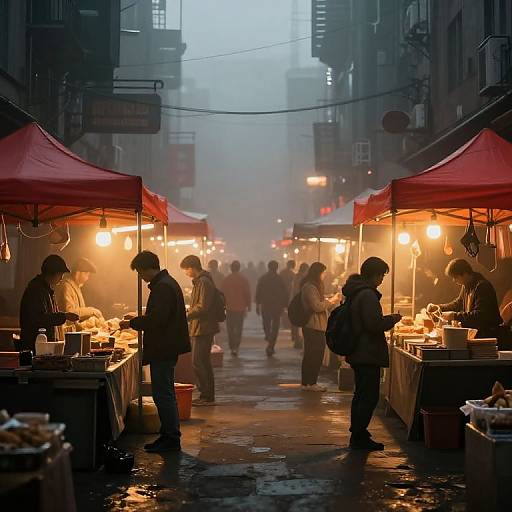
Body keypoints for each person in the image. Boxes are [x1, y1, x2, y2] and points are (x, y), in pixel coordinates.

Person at [120, 251, 190, 453]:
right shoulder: (166, 284)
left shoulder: (163, 288)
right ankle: (167, 435)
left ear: (149, 268)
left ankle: (171, 438)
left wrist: (132, 322)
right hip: (165, 347)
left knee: (163, 395)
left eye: (141, 274)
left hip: (163, 348)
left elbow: (157, 319)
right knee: (164, 393)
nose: (142, 279)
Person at [342, 257, 401, 451]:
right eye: (381, 275)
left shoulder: (357, 292)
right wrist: (393, 318)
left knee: (361, 394)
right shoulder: (367, 295)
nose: (382, 279)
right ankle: (359, 436)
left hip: (360, 351)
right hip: (366, 352)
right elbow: (374, 324)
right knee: (368, 396)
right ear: (373, 274)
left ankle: (359, 432)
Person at [428, 258, 503, 339]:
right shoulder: (466, 285)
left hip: (488, 336)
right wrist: (439, 308)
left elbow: (479, 316)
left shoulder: (482, 287)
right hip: (476, 334)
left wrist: (454, 316)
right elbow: (458, 304)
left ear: (465, 273)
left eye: (456, 277)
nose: (454, 280)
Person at [19, 255, 79, 352]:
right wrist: (64, 316)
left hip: (43, 346)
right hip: (35, 348)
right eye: (60, 274)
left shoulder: (45, 289)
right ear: (52, 273)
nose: (61, 278)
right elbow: (40, 318)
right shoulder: (36, 290)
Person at [180, 255, 219, 405]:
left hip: (203, 327)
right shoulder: (201, 281)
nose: (186, 273)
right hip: (200, 326)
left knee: (198, 361)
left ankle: (206, 395)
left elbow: (203, 306)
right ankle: (207, 394)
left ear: (191, 267)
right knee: (203, 361)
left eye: (186, 270)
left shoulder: (203, 282)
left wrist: (187, 314)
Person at [300, 262, 340, 391]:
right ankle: (311, 383)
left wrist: (327, 299)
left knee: (312, 354)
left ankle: (308, 382)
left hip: (315, 326)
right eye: (323, 273)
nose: (324, 275)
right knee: (314, 354)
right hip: (313, 325)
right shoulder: (310, 287)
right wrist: (332, 301)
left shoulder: (312, 286)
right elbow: (317, 306)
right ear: (317, 273)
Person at [56, 257, 102, 330]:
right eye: (86, 274)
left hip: (75, 331)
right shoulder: (67, 286)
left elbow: (80, 315)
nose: (87, 277)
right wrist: (92, 311)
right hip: (67, 332)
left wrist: (91, 320)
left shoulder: (76, 287)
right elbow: (70, 313)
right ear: (78, 273)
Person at [255, 260, 288, 357]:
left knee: (266, 323)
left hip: (266, 305)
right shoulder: (279, 279)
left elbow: (258, 292)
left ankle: (269, 337)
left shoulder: (263, 278)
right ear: (276, 268)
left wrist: (257, 304)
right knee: (275, 326)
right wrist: (285, 305)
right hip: (277, 306)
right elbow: (284, 293)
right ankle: (271, 344)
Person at [221, 260, 251, 356]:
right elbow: (247, 294)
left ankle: (232, 346)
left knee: (230, 328)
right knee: (238, 328)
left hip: (229, 308)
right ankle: (236, 346)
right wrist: (248, 305)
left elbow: (222, 294)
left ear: (231, 268)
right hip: (240, 308)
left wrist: (222, 306)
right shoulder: (243, 279)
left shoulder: (226, 280)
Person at [291, 262, 309, 348]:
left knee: (296, 323)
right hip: (300, 302)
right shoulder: (303, 278)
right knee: (301, 323)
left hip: (296, 300)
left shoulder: (296, 276)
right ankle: (299, 341)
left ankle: (297, 340)